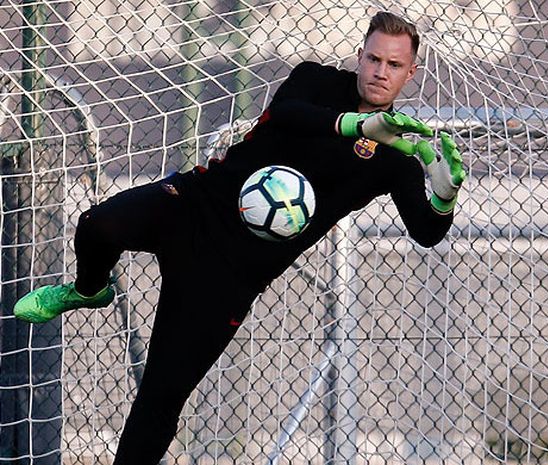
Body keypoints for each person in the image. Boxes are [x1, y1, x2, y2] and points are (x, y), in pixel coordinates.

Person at [13, 11, 466, 465]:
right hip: (194, 204)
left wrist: (443, 197)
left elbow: (426, 232)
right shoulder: (315, 81)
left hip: (230, 276)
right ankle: (89, 290)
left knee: (160, 398)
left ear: (411, 72)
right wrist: (355, 125)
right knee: (97, 225)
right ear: (361, 56)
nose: (380, 72)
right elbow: (289, 115)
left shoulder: (396, 155)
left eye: (393, 65)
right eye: (373, 59)